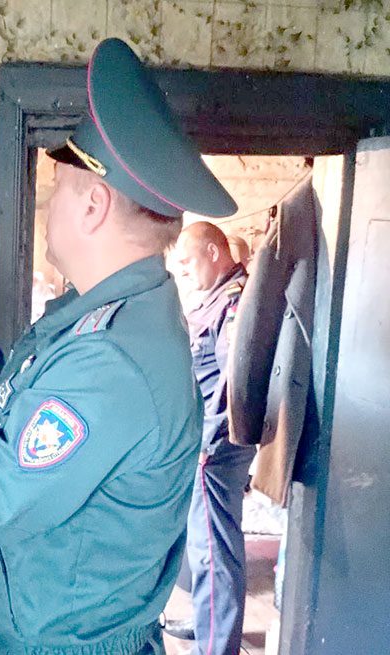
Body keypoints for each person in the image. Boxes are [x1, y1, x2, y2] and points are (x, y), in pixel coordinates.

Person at [0, 38, 237, 655]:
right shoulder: (109, 317)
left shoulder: (112, 359)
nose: (47, 204)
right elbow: (32, 416)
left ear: (93, 206)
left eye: (57, 188)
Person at [164, 221, 256, 655]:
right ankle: (207, 625)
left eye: (187, 261)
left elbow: (232, 385)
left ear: (214, 253)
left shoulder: (234, 303)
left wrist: (208, 445)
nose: (183, 270)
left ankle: (217, 647)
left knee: (214, 553)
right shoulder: (217, 299)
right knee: (203, 547)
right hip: (204, 445)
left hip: (212, 450)